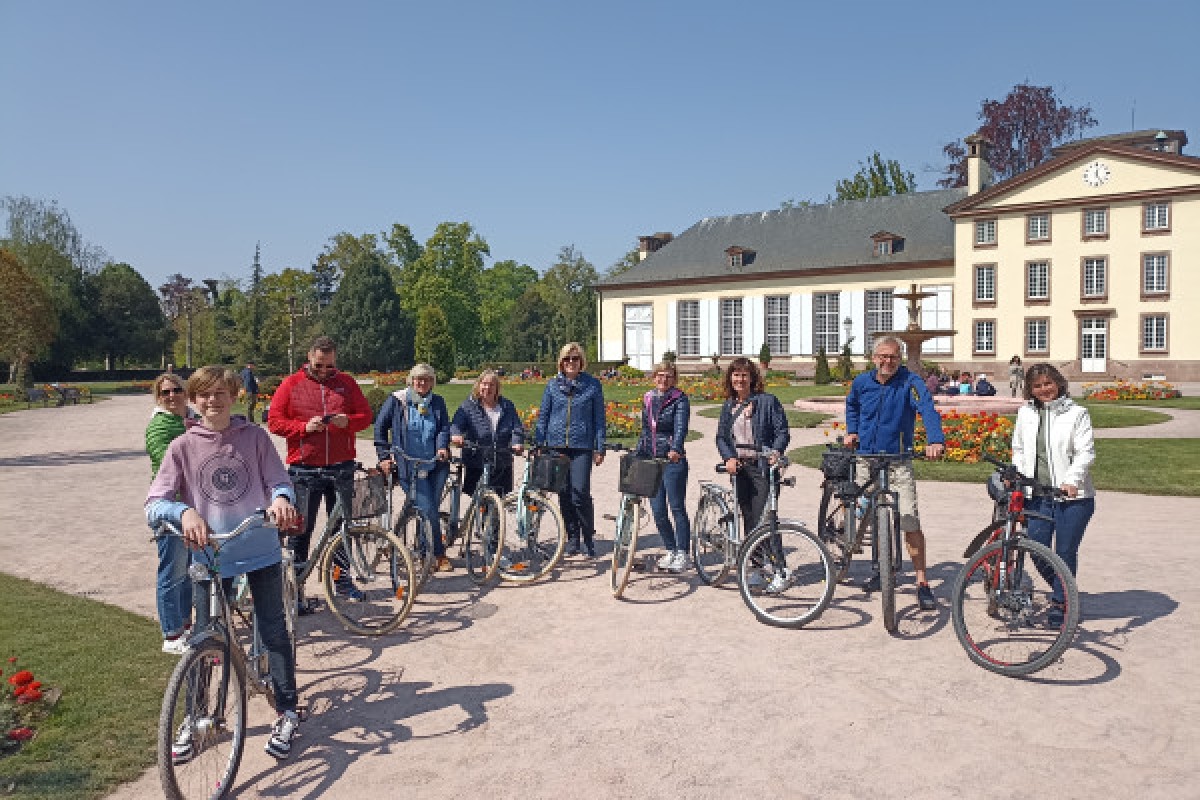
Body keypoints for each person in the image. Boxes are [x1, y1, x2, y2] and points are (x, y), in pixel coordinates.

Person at [146, 366, 303, 760]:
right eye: (204, 394)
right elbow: (155, 501)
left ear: (233, 396)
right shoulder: (182, 446)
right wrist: (182, 513)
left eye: (220, 393)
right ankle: (196, 716)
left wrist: (282, 500)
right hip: (211, 553)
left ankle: (287, 709)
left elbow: (278, 481)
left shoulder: (254, 438)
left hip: (258, 546)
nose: (212, 400)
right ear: (193, 401)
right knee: (204, 638)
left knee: (272, 629)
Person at [267, 336, 373, 602]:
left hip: (341, 467)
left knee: (342, 529)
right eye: (319, 365)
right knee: (300, 529)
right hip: (305, 468)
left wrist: (346, 422)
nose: (324, 371)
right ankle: (296, 589)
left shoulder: (346, 383)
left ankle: (342, 581)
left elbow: (366, 417)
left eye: (329, 366)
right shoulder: (292, 384)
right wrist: (303, 428)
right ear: (309, 358)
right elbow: (274, 421)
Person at [844, 336, 945, 611]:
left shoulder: (910, 383)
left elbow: (926, 407)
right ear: (874, 357)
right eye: (883, 356)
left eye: (893, 357)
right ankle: (877, 567)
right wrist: (852, 431)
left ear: (899, 358)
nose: (887, 361)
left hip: (898, 460)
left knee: (909, 518)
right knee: (860, 511)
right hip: (866, 457)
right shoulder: (862, 383)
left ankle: (922, 582)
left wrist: (935, 439)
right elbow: (852, 405)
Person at [1011, 363, 1096, 628]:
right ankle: (1066, 589)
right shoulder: (1025, 413)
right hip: (1037, 495)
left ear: (1058, 383)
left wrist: (1071, 480)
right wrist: (1018, 475)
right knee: (1037, 549)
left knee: (1065, 551)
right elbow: (1019, 448)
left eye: (1048, 383)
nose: (1044, 389)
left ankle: (1061, 601)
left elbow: (1085, 452)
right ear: (1030, 389)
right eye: (1037, 386)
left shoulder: (1077, 413)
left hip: (1073, 497)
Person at [715, 357, 790, 589]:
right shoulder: (729, 406)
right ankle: (757, 567)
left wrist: (776, 451)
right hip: (740, 469)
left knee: (766, 520)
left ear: (753, 378)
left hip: (762, 468)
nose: (740, 379)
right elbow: (721, 437)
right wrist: (728, 457)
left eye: (744, 375)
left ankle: (780, 571)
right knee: (749, 519)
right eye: (736, 375)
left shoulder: (768, 402)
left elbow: (782, 432)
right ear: (730, 378)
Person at [376, 363, 454, 571]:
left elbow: (443, 428)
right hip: (410, 466)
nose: (422, 383)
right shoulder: (397, 400)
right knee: (428, 508)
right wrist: (384, 456)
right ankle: (437, 553)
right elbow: (380, 428)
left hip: (435, 464)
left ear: (432, 382)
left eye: (427, 379)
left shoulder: (437, 402)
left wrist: (442, 447)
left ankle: (422, 549)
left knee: (429, 509)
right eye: (418, 379)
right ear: (411, 380)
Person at [535, 342, 606, 557]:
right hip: (557, 445)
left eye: (575, 359)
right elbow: (544, 416)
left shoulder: (592, 385)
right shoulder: (552, 386)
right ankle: (572, 537)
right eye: (567, 359)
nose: (571, 363)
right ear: (561, 362)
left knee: (580, 492)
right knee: (564, 494)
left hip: (582, 445)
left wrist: (599, 446)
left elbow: (599, 419)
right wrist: (540, 443)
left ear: (581, 361)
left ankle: (588, 536)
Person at [145, 372, 196, 654]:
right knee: (172, 572)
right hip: (170, 506)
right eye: (166, 393)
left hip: (193, 507)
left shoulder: (191, 419)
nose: (172, 396)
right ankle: (172, 634)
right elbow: (165, 460)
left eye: (177, 390)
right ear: (159, 397)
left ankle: (186, 624)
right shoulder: (159, 426)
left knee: (188, 571)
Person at [636, 361, 692, 572]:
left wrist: (676, 448)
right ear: (654, 377)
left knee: (676, 507)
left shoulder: (679, 399)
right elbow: (644, 429)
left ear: (674, 378)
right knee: (658, 510)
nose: (663, 379)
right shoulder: (648, 398)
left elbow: (680, 427)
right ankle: (670, 549)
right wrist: (639, 451)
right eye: (660, 375)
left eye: (668, 376)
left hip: (672, 460)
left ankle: (683, 552)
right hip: (652, 460)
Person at [450, 369, 525, 496]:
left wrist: (516, 442)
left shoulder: (507, 406)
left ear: (497, 388)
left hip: (502, 462)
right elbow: (456, 424)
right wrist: (456, 435)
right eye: (484, 383)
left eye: (491, 384)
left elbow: (516, 428)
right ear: (478, 385)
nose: (487, 387)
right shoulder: (469, 406)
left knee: (497, 505)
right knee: (478, 503)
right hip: (477, 461)